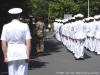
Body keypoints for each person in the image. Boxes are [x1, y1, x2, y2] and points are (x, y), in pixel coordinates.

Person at [1, 8, 31, 75]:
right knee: (22, 72)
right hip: (22, 52)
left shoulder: (6, 27)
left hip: (11, 52)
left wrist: (5, 56)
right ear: (19, 16)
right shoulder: (25, 26)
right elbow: (28, 42)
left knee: (12, 73)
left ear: (11, 16)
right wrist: (28, 55)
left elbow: (3, 42)